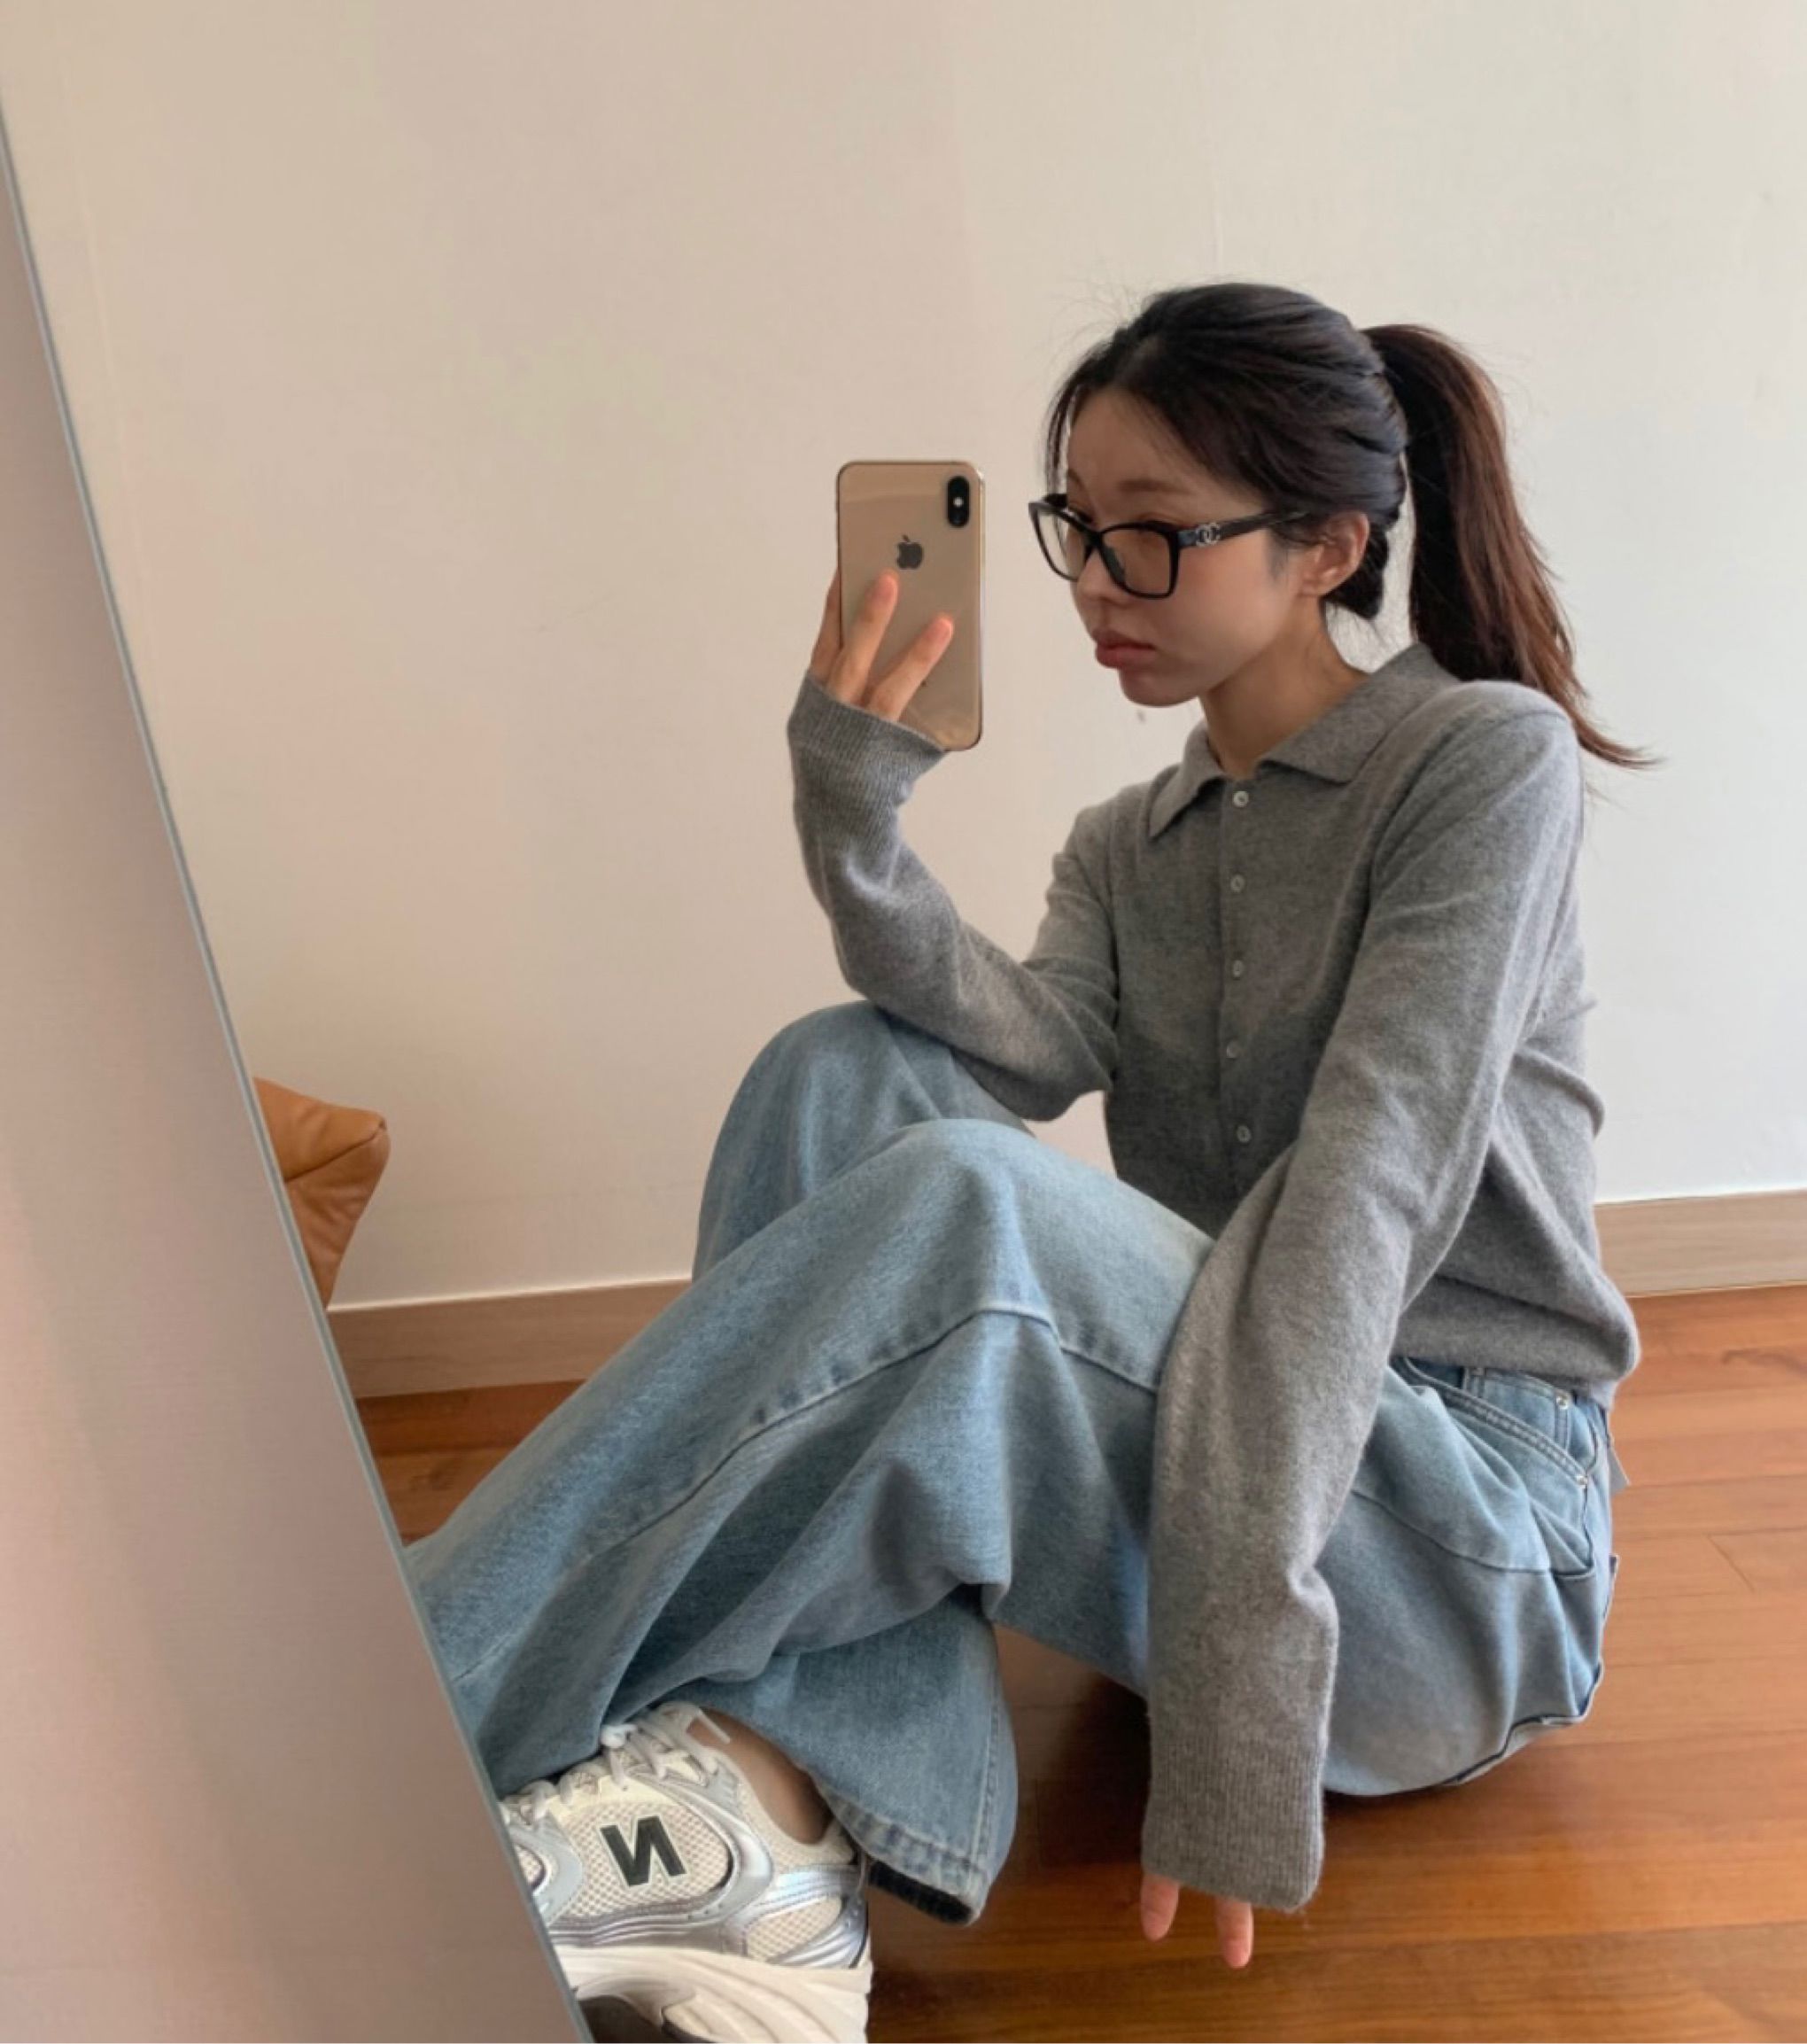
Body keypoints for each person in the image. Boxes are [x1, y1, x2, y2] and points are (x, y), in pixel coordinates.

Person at [401, 278, 1659, 2042]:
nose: (1094, 584)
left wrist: (1236, 1675)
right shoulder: (1130, 842)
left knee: (971, 1204)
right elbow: (1018, 1038)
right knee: (841, 1073)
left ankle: (390, 1722)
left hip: (1453, 1554)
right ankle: (771, 1837)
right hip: (1223, 1456)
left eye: (1155, 534)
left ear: (1327, 547)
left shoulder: (1478, 759)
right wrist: (853, 806)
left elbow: (1365, 1201)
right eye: (1081, 526)